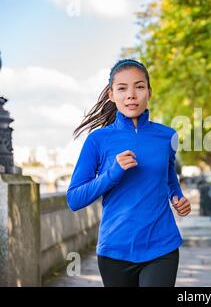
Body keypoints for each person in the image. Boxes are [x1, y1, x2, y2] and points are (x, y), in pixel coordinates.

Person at [67, 59, 191, 287]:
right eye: (122, 88)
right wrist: (113, 173)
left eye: (139, 86)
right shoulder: (97, 140)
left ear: (149, 92)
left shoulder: (167, 136)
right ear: (111, 94)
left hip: (161, 246)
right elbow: (74, 199)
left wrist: (178, 198)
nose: (131, 95)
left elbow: (169, 177)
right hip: (115, 250)